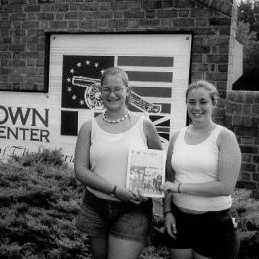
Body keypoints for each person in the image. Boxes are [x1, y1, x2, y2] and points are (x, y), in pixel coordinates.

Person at [74, 66, 163, 259]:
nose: (111, 94)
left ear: (127, 91)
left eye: (118, 89)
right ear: (100, 90)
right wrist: (115, 190)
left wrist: (148, 192)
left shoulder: (144, 125)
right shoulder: (88, 127)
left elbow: (158, 168)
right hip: (95, 206)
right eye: (106, 89)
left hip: (133, 209)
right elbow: (80, 170)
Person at [160, 80, 242, 259]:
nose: (196, 107)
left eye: (203, 102)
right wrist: (167, 212)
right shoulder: (177, 136)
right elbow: (169, 179)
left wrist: (181, 188)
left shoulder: (225, 137)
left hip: (214, 223)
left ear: (214, 103)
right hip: (179, 220)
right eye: (191, 102)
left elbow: (225, 187)